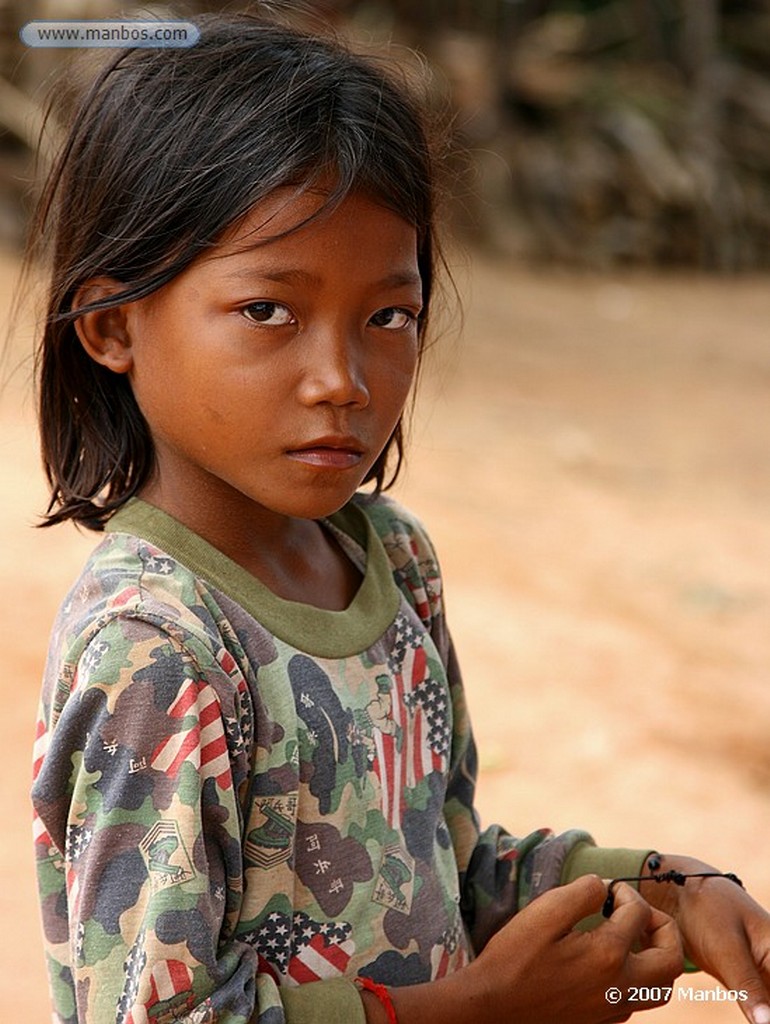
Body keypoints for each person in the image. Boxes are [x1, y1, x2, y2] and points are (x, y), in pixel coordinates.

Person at [28, 11, 770, 1024]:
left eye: (387, 314)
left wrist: (663, 889)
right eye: (268, 311)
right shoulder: (157, 649)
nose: (341, 380)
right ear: (114, 325)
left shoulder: (393, 561)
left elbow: (441, 867)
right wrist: (476, 1011)